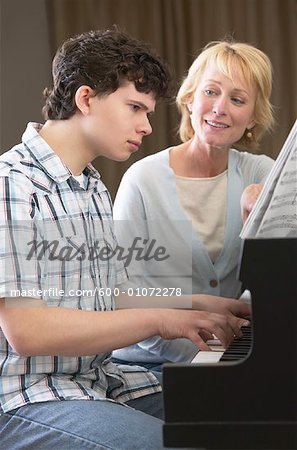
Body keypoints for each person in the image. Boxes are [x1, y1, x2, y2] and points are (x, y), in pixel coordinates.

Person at [0, 29, 250, 449]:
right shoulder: (14, 184)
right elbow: (28, 330)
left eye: (148, 112)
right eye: (135, 107)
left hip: (99, 380)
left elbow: (107, 293)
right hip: (27, 398)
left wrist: (198, 303)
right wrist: (160, 320)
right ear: (85, 99)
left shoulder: (91, 185)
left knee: (238, 410)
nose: (147, 126)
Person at [112, 39, 274, 370]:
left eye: (237, 99)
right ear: (189, 98)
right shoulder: (142, 181)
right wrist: (208, 358)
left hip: (234, 355)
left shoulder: (263, 173)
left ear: (254, 117)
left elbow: (276, 280)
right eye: (210, 92)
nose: (220, 108)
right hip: (148, 363)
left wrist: (254, 230)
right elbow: (124, 297)